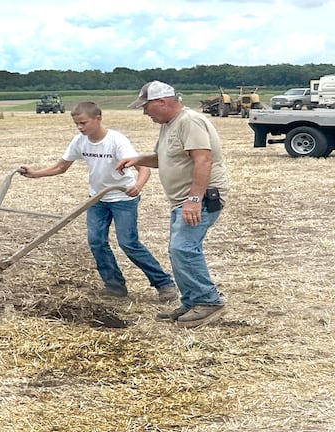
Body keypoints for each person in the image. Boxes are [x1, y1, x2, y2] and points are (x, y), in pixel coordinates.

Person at [20, 101, 177, 302]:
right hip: (97, 199)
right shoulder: (80, 141)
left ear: (98, 118)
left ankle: (164, 284)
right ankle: (115, 286)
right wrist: (35, 174)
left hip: (122, 198)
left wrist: (137, 186)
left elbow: (143, 168)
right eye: (77, 124)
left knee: (128, 243)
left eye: (83, 123)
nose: (80, 127)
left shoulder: (116, 141)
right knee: (96, 242)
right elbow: (61, 167)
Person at [118, 80, 230, 328]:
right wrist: (136, 159)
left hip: (201, 196)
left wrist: (193, 200)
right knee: (178, 250)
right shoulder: (170, 124)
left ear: (162, 102)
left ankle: (208, 303)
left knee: (184, 249)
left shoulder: (189, 121)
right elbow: (163, 158)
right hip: (183, 199)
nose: (144, 112)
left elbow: (203, 160)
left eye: (146, 107)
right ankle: (192, 301)